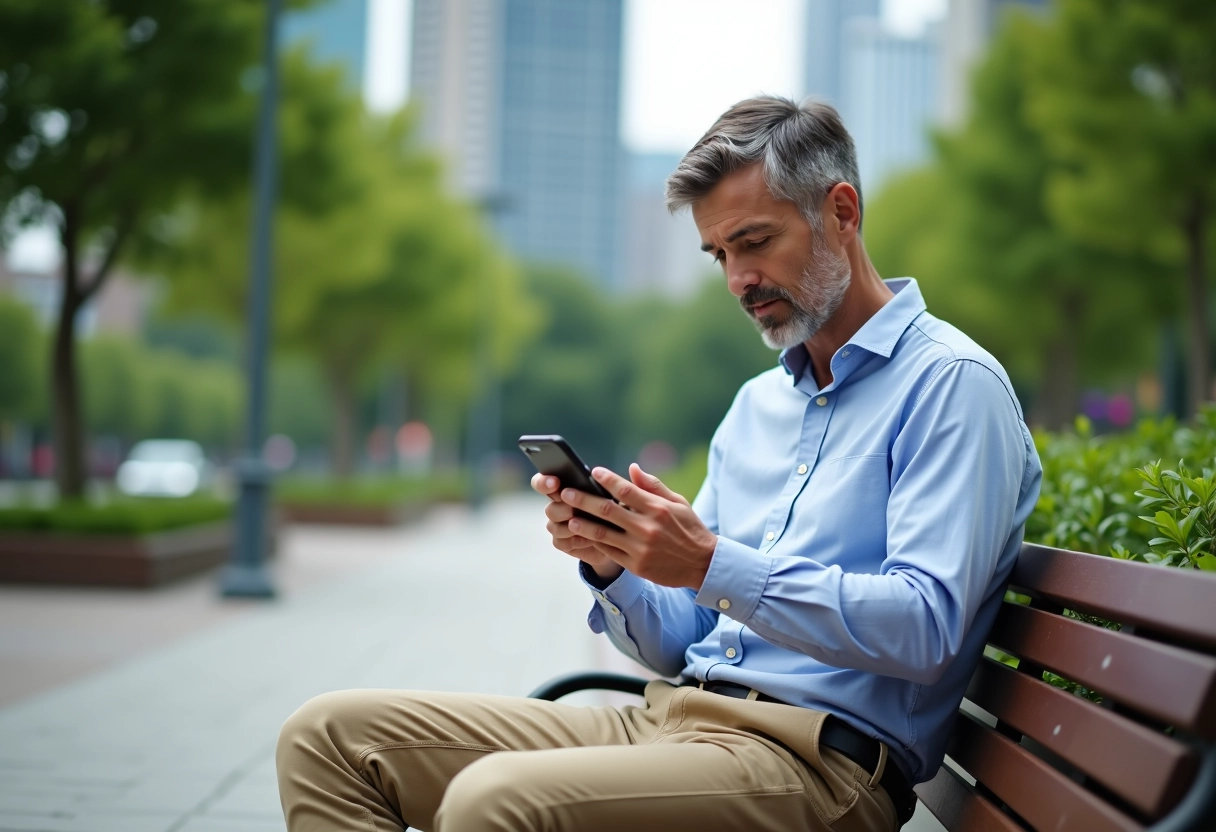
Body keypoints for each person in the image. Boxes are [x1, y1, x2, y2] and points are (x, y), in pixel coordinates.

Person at [275, 96, 1043, 832]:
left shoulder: (951, 387)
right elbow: (680, 642)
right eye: (719, 254)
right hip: (671, 723)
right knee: (327, 738)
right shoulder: (755, 409)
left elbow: (926, 628)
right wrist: (619, 565)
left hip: (815, 770)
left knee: (492, 801)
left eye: (754, 241)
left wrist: (711, 562)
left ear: (842, 212)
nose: (737, 281)